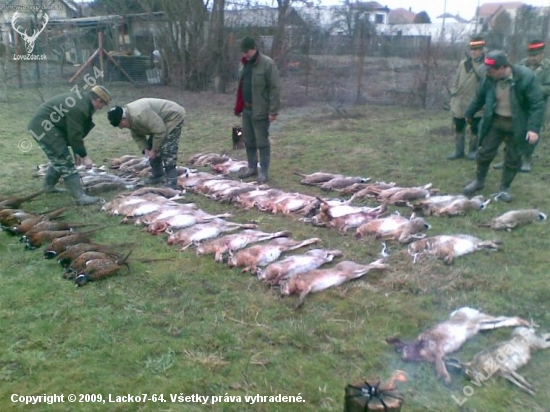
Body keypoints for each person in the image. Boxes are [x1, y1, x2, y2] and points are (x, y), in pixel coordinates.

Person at [463, 50, 545, 202]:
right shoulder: (489, 79)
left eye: (491, 69)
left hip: (518, 124)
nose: (488, 72)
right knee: (484, 152)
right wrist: (468, 113)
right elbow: (479, 97)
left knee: (513, 157)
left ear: (503, 67)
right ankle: (479, 181)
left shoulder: (526, 77)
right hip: (495, 121)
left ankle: (504, 189)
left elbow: (537, 105)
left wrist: (533, 129)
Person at [28, 85, 112, 205]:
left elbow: (75, 130)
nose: (101, 108)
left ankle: (48, 187)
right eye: (103, 104)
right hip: (44, 128)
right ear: (98, 100)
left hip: (52, 127)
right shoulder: (79, 107)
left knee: (59, 158)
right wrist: (84, 156)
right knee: (63, 159)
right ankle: (80, 197)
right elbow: (75, 135)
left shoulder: (84, 101)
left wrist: (76, 151)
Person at [493, 39, 550, 172]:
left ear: (542, 54)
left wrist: (536, 90)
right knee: (511, 131)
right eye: (530, 55)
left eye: (535, 55)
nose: (532, 58)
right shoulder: (521, 64)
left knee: (532, 132)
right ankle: (509, 157)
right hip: (518, 104)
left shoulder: (548, 68)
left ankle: (526, 159)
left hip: (536, 106)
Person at [108, 98, 185, 189]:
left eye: (119, 124)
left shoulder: (139, 114)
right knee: (151, 146)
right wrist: (146, 149)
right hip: (159, 122)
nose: (120, 127)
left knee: (167, 148)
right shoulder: (130, 118)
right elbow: (137, 135)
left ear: (124, 118)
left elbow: (160, 131)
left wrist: (154, 150)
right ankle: (158, 175)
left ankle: (172, 181)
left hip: (173, 116)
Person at [234, 36, 280, 184]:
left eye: (247, 51)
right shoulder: (243, 64)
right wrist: (239, 106)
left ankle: (264, 172)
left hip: (260, 110)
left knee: (262, 142)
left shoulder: (267, 64)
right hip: (246, 109)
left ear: (254, 48)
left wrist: (273, 111)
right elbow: (241, 86)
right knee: (247, 140)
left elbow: (274, 88)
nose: (244, 55)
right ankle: (252, 168)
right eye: (243, 52)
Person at [448, 36, 486, 160]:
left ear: (481, 50)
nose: (473, 52)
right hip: (459, 101)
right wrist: (454, 93)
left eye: (476, 49)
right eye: (472, 49)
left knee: (475, 128)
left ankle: (473, 151)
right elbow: (456, 80)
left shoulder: (486, 65)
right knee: (459, 126)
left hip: (476, 102)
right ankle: (459, 151)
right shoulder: (463, 63)